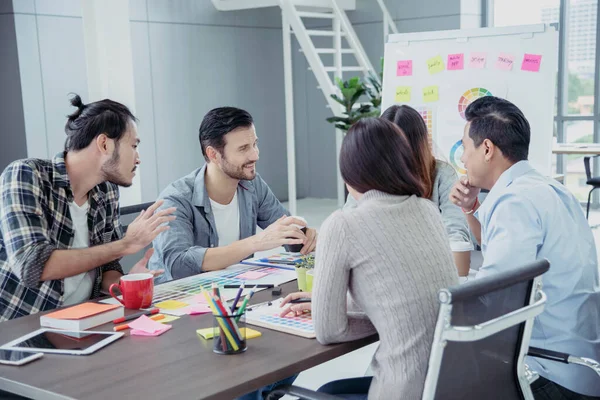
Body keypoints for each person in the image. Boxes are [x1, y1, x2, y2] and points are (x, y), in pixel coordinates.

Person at [280, 118, 458, 399]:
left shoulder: (342, 225)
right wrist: (384, 315)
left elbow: (328, 332)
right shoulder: (428, 210)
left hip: (402, 390)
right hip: (447, 385)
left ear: (349, 172)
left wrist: (334, 312)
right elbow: (402, 297)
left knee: (323, 393)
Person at [449, 96, 600, 399]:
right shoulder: (549, 188)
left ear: (487, 149)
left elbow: (494, 299)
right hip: (584, 367)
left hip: (552, 376)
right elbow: (504, 259)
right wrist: (470, 208)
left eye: (465, 147)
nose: (463, 159)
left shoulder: (513, 202)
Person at [0, 94, 176, 322]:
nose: (138, 157)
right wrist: (125, 244)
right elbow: (33, 265)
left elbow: (107, 263)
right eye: (133, 146)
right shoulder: (26, 175)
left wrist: (123, 285)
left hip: (82, 321)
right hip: (20, 328)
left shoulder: (107, 191)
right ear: (104, 143)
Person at [148, 107, 317, 283]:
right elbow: (178, 265)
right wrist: (256, 242)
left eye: (254, 144)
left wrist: (305, 238)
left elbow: (286, 231)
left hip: (234, 290)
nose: (255, 155)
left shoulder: (252, 184)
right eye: (243, 148)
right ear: (213, 154)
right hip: (178, 299)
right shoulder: (175, 199)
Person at [344, 105, 472, 277]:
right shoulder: (371, 175)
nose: (395, 157)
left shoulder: (442, 174)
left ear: (417, 146)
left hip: (429, 273)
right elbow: (348, 229)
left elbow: (456, 235)